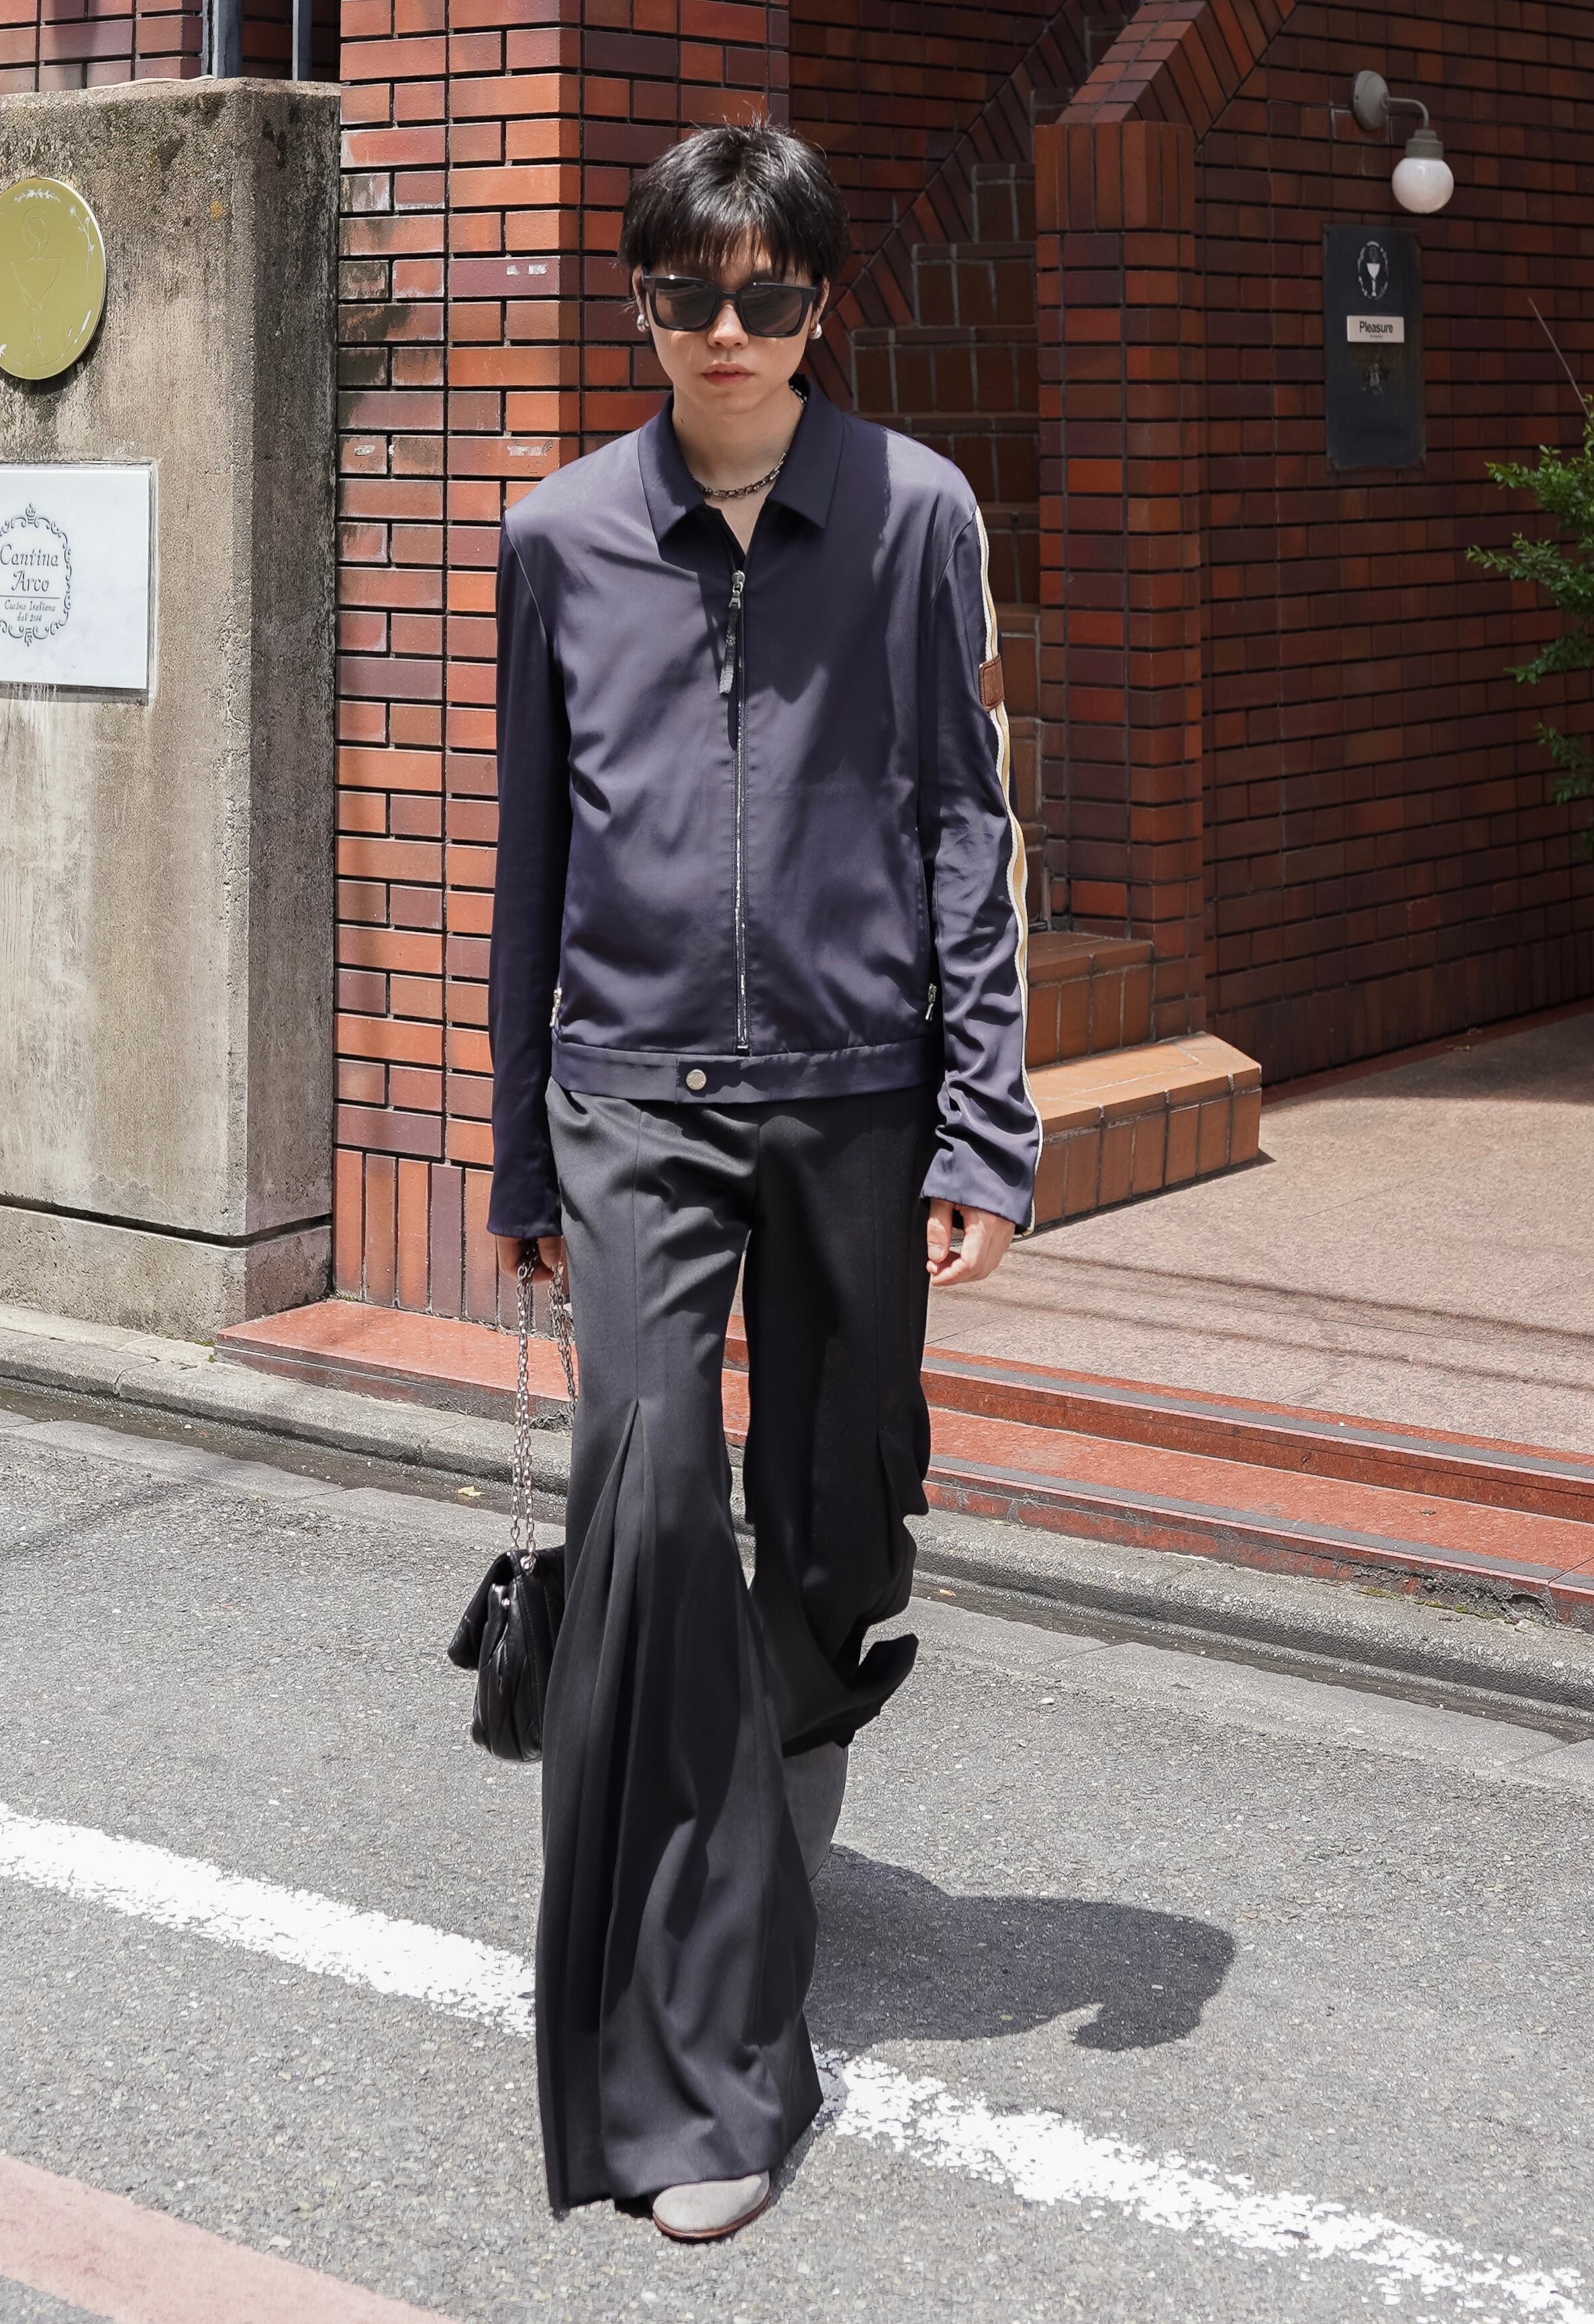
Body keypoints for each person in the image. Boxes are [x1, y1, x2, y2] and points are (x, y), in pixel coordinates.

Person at [487, 119, 1040, 2243]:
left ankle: (788, 1734)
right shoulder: (557, 538)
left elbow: (963, 824)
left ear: (819, 306)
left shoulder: (913, 516)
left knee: (834, 1513)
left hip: (857, 1091)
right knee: (643, 1510)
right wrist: (521, 1141)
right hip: (631, 1093)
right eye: (687, 295)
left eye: (768, 295)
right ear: (639, 302)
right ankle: (702, 2062)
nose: (727, 334)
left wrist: (983, 1121)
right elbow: (532, 854)